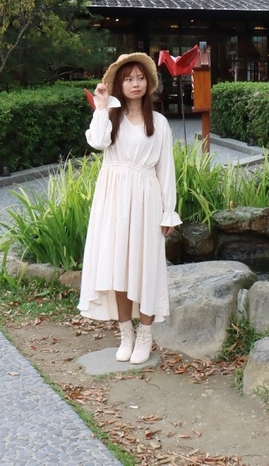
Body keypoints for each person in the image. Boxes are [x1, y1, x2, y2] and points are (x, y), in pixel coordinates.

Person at [79, 53, 181, 364]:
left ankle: (146, 335)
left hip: (146, 200)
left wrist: (168, 212)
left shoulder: (160, 123)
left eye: (139, 78)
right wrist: (100, 106)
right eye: (128, 78)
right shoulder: (111, 117)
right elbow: (97, 142)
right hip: (113, 198)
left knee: (145, 267)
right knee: (118, 268)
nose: (135, 84)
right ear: (119, 85)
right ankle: (126, 334)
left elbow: (166, 170)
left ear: (148, 83)